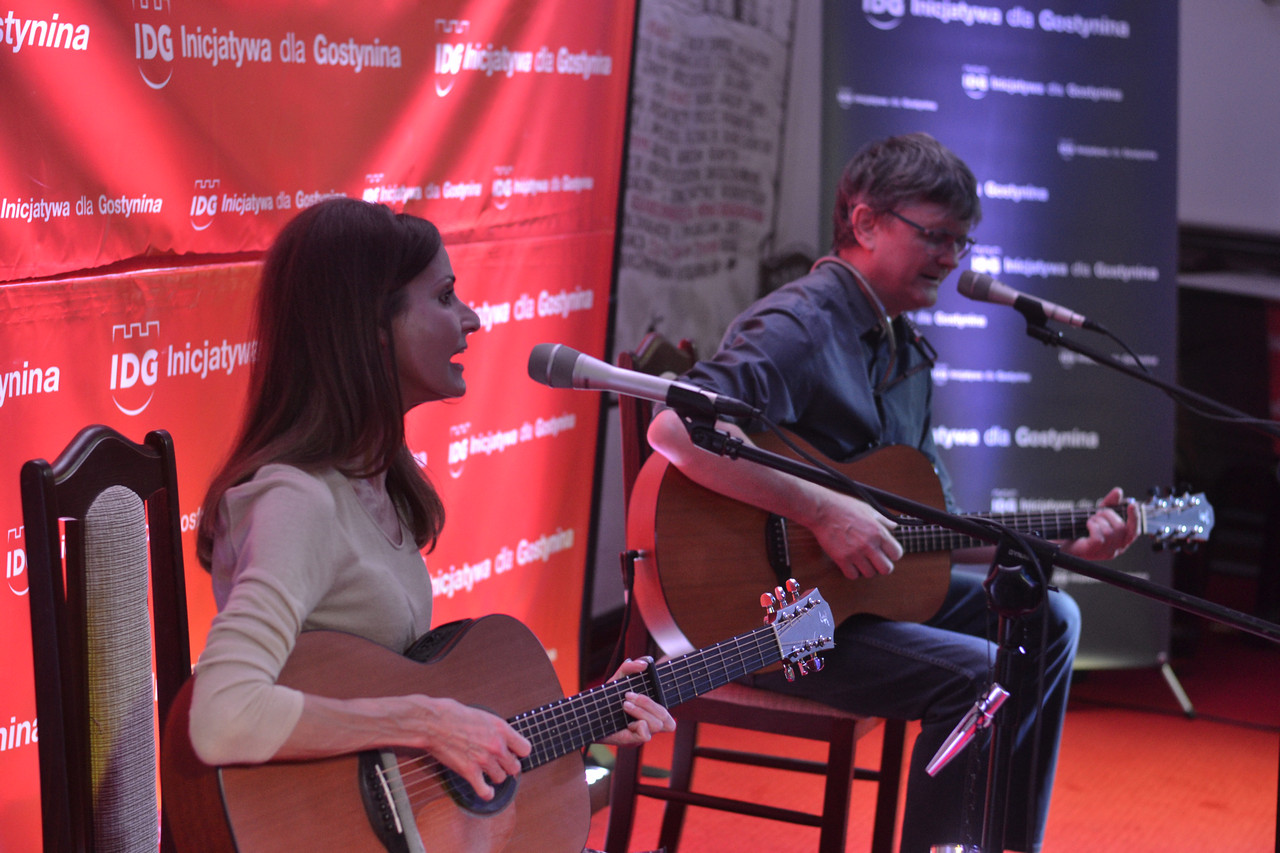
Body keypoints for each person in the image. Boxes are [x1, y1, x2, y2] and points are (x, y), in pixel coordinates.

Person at [647, 132, 1137, 853]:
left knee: (1050, 614)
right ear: (867, 222)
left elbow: (929, 533)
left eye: (961, 242)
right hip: (767, 619)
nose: (950, 257)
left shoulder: (905, 352)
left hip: (849, 604)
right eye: (935, 235)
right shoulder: (799, 325)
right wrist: (821, 510)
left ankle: (1000, 843)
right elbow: (675, 427)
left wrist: (1057, 542)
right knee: (977, 675)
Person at [186, 198, 674, 836]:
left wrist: (586, 717)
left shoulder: (374, 481)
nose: (471, 319)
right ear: (371, 325)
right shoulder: (296, 500)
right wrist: (426, 720)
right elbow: (222, 715)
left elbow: (388, 745)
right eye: (444, 297)